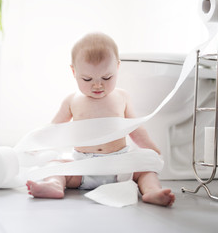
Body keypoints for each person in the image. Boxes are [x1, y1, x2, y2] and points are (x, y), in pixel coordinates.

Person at [26, 32, 175, 206]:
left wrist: (152, 150)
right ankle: (53, 184)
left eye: (107, 77)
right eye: (87, 79)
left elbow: (136, 129)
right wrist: (35, 145)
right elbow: (54, 129)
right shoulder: (72, 100)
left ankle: (152, 191)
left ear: (117, 67)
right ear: (74, 71)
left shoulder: (122, 97)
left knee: (146, 169)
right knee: (54, 165)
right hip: (82, 167)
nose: (98, 85)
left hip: (119, 166)